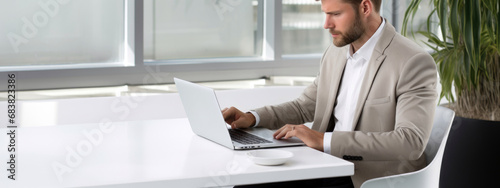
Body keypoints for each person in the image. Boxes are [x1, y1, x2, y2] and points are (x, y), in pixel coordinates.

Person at [223, 0, 438, 187]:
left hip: (368, 177)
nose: (326, 24)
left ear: (365, 7)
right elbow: (306, 104)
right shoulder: (337, 51)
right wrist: (252, 117)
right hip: (323, 165)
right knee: (247, 184)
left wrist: (323, 140)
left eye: (335, 14)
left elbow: (410, 143)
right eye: (325, 14)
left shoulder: (412, 62)